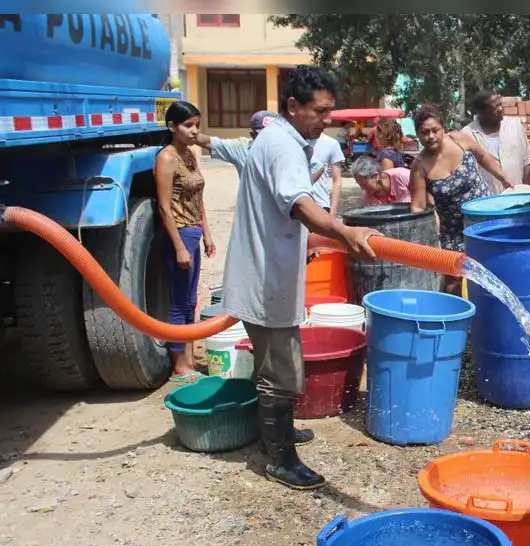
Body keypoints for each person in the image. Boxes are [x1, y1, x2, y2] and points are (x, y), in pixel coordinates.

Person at [221, 65, 382, 491]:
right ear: (293, 106)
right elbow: (300, 205)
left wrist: (335, 239)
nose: (327, 120)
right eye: (320, 111)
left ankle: (279, 433)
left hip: (267, 273)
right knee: (282, 372)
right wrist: (344, 231)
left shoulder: (279, 139)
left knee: (277, 366)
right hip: (264, 280)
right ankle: (280, 459)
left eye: (330, 111)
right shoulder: (283, 146)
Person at [409, 103, 516, 294]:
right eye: (424, 132)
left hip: (486, 220)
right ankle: (456, 313)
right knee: (454, 283)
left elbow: (483, 157)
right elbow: (417, 206)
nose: (431, 136)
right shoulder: (419, 166)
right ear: (417, 134)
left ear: (443, 127)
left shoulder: (458, 139)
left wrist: (503, 177)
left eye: (435, 130)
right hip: (454, 233)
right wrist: (422, 237)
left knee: (496, 271)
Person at [155, 101, 215, 383]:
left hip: (193, 232)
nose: (194, 131)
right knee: (179, 301)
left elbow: (197, 198)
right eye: (188, 125)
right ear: (172, 127)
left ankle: (189, 360)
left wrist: (207, 233)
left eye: (197, 126)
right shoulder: (167, 158)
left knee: (191, 300)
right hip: (179, 233)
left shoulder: (190, 154)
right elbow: (164, 206)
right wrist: (179, 246)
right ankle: (179, 364)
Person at [195, 111, 345, 215]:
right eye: (263, 135)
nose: (269, 140)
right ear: (252, 134)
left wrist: (298, 186)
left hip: (284, 212)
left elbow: (317, 167)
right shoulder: (242, 148)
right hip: (256, 213)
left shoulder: (288, 146)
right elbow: (208, 142)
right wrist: (189, 131)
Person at [461, 89, 530, 194]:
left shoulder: (515, 125)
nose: (500, 109)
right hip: (487, 199)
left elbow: (527, 161)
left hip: (517, 197)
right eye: (494, 107)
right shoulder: (468, 134)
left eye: (500, 104)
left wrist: (527, 193)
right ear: (481, 112)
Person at [310, 131, 346, 215]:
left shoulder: (331, 143)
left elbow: (337, 180)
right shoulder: (292, 141)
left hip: (321, 204)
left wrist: (333, 210)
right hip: (296, 204)